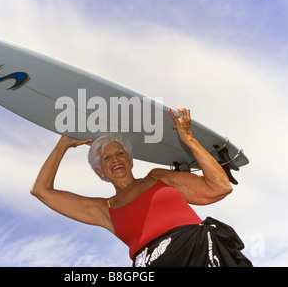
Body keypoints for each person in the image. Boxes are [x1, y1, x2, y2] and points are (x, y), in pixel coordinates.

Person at [30, 108, 252, 267]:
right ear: (100, 171)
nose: (116, 159)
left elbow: (220, 187)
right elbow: (41, 190)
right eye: (107, 157)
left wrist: (189, 140)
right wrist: (62, 146)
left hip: (201, 253)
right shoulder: (105, 210)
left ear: (130, 160)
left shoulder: (158, 178)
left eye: (120, 153)